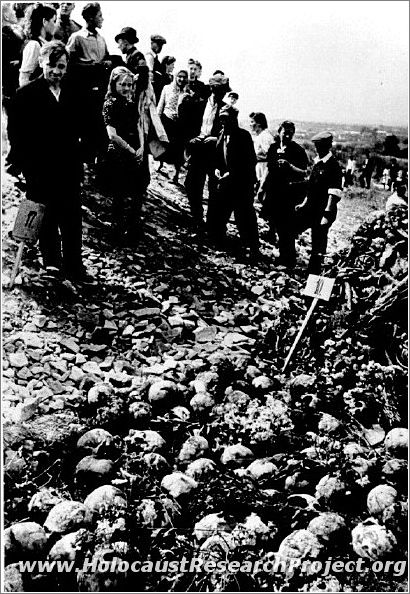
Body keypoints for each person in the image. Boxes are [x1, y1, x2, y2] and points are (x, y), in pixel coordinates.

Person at [9, 41, 92, 283]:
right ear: (42, 64)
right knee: (46, 216)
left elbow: (89, 126)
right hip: (39, 167)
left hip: (68, 165)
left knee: (71, 218)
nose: (56, 71)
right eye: (52, 66)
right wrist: (25, 164)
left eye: (62, 66)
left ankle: (75, 267)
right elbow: (16, 133)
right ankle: (53, 265)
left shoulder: (75, 92)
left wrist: (86, 154)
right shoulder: (26, 95)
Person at [102, 66, 146, 245]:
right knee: (119, 195)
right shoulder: (110, 103)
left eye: (129, 84)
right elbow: (112, 135)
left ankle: (133, 230)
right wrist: (130, 149)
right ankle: (117, 232)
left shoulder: (131, 103)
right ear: (114, 84)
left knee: (137, 192)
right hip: (119, 152)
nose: (126, 88)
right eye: (122, 84)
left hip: (135, 151)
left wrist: (142, 147)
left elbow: (139, 126)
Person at [212, 105, 260, 261]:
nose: (223, 122)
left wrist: (232, 173)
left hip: (242, 185)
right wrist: (218, 170)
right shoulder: (221, 135)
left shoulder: (243, 136)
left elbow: (250, 161)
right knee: (220, 213)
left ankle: (252, 249)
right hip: (226, 184)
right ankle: (221, 244)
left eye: (226, 119)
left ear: (234, 119)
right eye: (221, 119)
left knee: (245, 217)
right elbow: (219, 158)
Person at [66, 2, 112, 164]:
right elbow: (68, 64)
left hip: (99, 91)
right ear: (90, 18)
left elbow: (107, 59)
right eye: (100, 16)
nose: (102, 19)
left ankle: (91, 162)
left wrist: (106, 63)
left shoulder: (102, 39)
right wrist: (91, 66)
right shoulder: (76, 38)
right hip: (82, 92)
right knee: (81, 126)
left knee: (97, 127)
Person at [184, 73, 231, 229]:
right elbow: (189, 125)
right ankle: (197, 218)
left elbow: (229, 133)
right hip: (198, 149)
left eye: (224, 90)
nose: (222, 93)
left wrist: (215, 139)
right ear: (212, 89)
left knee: (215, 188)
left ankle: (212, 224)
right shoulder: (198, 104)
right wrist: (191, 139)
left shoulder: (227, 109)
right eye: (219, 90)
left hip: (215, 152)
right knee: (192, 184)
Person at [260, 121, 308, 267]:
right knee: (274, 222)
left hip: (288, 194)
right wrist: (262, 188)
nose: (287, 135)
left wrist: (290, 167)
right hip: (273, 192)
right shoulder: (274, 148)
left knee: (286, 227)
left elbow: (305, 173)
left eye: (290, 133)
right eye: (284, 132)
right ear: (279, 131)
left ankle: (288, 259)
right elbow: (268, 168)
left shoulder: (298, 151)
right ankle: (280, 254)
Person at [294, 131, 343, 273]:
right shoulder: (318, 163)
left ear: (328, 146)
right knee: (291, 227)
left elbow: (334, 192)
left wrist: (327, 214)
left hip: (323, 210)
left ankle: (314, 274)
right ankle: (290, 261)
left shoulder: (333, 165)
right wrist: (303, 204)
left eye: (321, 145)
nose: (318, 148)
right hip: (311, 208)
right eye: (317, 145)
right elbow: (311, 187)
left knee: (318, 242)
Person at [157, 69, 188, 183]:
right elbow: (161, 105)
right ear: (176, 77)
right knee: (163, 144)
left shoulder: (187, 92)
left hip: (179, 124)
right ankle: (160, 165)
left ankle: (175, 176)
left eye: (184, 77)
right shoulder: (167, 88)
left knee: (178, 149)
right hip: (166, 119)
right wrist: (157, 121)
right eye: (179, 76)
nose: (181, 79)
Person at [19, 3, 57, 87]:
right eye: (53, 21)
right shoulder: (34, 45)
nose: (55, 25)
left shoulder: (43, 43)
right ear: (44, 22)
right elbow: (23, 80)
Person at [249, 111, 274, 188]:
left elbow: (269, 154)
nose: (250, 124)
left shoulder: (265, 136)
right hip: (259, 167)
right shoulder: (259, 136)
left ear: (259, 124)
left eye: (252, 122)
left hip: (264, 167)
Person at [145, 33, 167, 102]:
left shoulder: (155, 58)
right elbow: (150, 75)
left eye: (161, 45)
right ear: (152, 43)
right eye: (158, 44)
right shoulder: (150, 57)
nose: (160, 47)